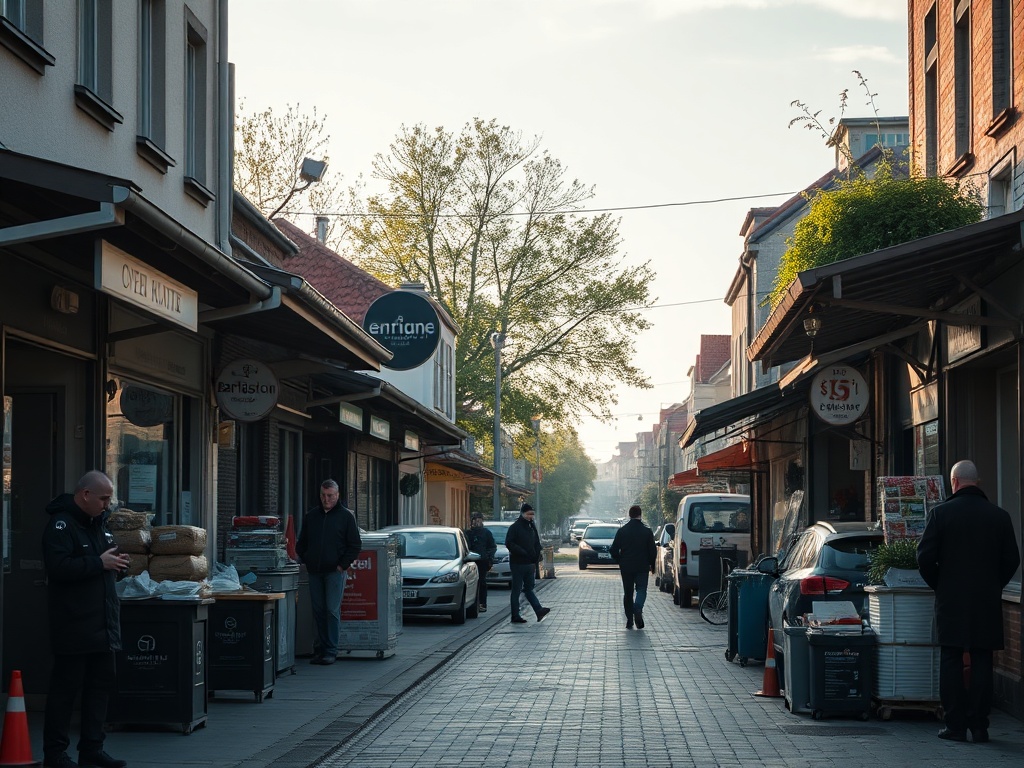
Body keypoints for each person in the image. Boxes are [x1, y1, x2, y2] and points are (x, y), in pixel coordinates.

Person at [917, 460, 1020, 744]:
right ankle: (980, 726)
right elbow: (1012, 559)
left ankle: (955, 725)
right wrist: (993, 585)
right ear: (978, 481)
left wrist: (940, 584)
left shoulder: (941, 514)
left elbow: (924, 558)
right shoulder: (999, 516)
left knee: (951, 658)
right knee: (982, 658)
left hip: (951, 599)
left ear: (954, 482)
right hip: (986, 599)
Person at [41, 470, 129, 768]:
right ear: (85, 495)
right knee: (65, 691)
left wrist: (118, 565)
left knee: (100, 687)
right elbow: (58, 568)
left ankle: (92, 747)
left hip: (103, 624)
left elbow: (105, 563)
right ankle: (55, 753)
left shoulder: (99, 526)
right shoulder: (61, 525)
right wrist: (98, 563)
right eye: (104, 498)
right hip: (74, 624)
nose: (108, 504)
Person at [296, 480, 362, 666]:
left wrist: (342, 565)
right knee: (318, 611)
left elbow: (355, 544)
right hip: (315, 571)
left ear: (338, 495)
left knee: (331, 610)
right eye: (324, 495)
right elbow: (302, 542)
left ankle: (331, 650)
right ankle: (320, 649)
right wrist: (306, 558)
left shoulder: (346, 517)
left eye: (330, 496)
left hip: (334, 572)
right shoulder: (312, 516)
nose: (326, 499)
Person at [610, 504, 657, 629]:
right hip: (642, 566)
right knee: (641, 590)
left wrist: (620, 560)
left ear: (629, 515)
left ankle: (629, 619)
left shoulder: (622, 531)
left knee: (628, 592)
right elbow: (653, 551)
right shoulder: (647, 531)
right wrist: (652, 565)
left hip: (626, 567)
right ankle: (638, 608)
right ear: (640, 515)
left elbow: (613, 550)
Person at [505, 503, 550, 624]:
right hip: (518, 563)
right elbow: (509, 543)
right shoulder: (515, 527)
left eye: (532, 514)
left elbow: (536, 542)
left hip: (530, 563)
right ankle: (515, 615)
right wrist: (521, 552)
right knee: (517, 589)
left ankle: (539, 610)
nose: (531, 516)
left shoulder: (531, 527)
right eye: (529, 514)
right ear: (523, 514)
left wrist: (537, 554)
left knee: (529, 588)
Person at [464, 511, 497, 613]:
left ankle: (482, 603)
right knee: (470, 582)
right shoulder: (468, 533)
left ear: (482, 521)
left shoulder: (486, 533)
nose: (476, 522)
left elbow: (492, 547)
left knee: (481, 582)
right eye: (474, 520)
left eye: (478, 520)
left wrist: (488, 558)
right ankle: (471, 603)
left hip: (482, 561)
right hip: (470, 561)